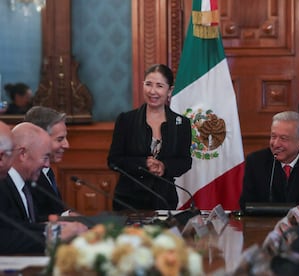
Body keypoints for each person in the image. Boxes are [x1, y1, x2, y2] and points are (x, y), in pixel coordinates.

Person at [107, 64, 192, 211]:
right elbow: (113, 161)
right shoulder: (126, 120)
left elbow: (185, 161)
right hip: (128, 201)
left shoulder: (182, 124)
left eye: (159, 86)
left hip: (164, 200)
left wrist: (164, 166)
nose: (152, 91)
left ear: (169, 90)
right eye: (148, 84)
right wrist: (143, 163)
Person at [0, 122, 86, 254]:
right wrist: (55, 235)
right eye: (45, 157)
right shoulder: (4, 185)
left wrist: (56, 227)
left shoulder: (26, 182)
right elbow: (7, 238)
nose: (47, 165)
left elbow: (20, 227)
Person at [24, 106, 70, 221]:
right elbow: (31, 220)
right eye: (60, 139)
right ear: (41, 138)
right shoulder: (26, 175)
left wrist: (65, 216)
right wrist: (64, 218)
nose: (66, 145)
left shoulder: (46, 170)